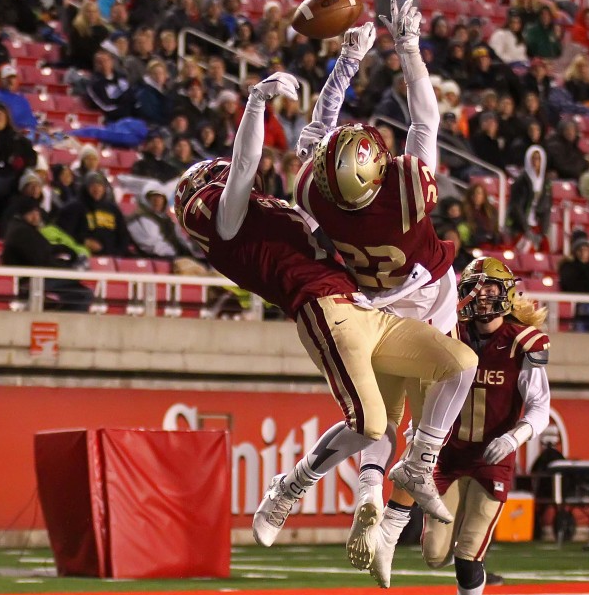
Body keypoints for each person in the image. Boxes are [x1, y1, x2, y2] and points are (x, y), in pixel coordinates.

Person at [173, 73, 476, 549]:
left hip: (365, 305)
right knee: (372, 423)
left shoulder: (282, 205)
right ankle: (288, 488)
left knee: (460, 363)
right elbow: (246, 164)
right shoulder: (225, 223)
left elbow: (323, 140)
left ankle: (414, 468)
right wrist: (256, 103)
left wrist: (347, 63)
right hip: (325, 310)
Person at [292, 0, 469, 569]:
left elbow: (319, 126)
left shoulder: (314, 191)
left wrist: (346, 60)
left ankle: (370, 494)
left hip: (369, 304)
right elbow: (427, 119)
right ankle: (396, 512)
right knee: (436, 407)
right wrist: (409, 48)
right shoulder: (406, 187)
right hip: (430, 291)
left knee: (377, 413)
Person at [421, 257, 550, 595]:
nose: (482, 298)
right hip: (449, 456)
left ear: (506, 294)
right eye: (474, 289)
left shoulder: (520, 341)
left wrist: (515, 437)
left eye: (490, 290)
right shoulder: (449, 333)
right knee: (434, 554)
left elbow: (540, 407)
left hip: (492, 459)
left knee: (468, 550)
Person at [1, 199, 93, 312]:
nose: (35, 216)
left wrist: (66, 251)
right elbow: (40, 261)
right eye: (31, 213)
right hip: (30, 280)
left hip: (37, 276)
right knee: (83, 293)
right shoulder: (21, 232)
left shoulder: (27, 229)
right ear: (22, 214)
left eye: (37, 212)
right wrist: (68, 268)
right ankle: (67, 324)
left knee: (81, 292)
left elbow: (46, 249)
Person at [506, 145, 552, 250]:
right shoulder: (520, 181)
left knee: (545, 250)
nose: (536, 162)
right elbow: (516, 207)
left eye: (538, 159)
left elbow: (546, 208)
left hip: (537, 227)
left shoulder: (546, 183)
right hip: (520, 227)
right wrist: (526, 229)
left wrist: (542, 232)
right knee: (528, 249)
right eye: (534, 158)